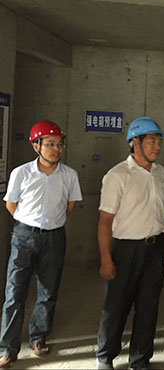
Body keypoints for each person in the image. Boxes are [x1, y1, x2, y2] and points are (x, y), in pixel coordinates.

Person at [96, 117, 164, 370]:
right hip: (124, 250)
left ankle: (140, 359)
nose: (157, 146)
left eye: (159, 141)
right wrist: (106, 259)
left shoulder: (162, 174)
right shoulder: (118, 175)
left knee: (148, 307)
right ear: (135, 142)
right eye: (152, 140)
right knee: (116, 306)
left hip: (156, 249)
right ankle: (105, 357)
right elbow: (105, 222)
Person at [0, 121, 82, 368]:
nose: (57, 149)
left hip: (54, 238)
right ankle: (7, 348)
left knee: (48, 291)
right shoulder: (21, 173)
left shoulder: (69, 175)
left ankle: (38, 338)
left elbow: (70, 206)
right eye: (50, 144)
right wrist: (30, 223)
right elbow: (11, 204)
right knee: (15, 292)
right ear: (36, 146)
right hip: (24, 236)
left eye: (59, 144)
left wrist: (50, 224)